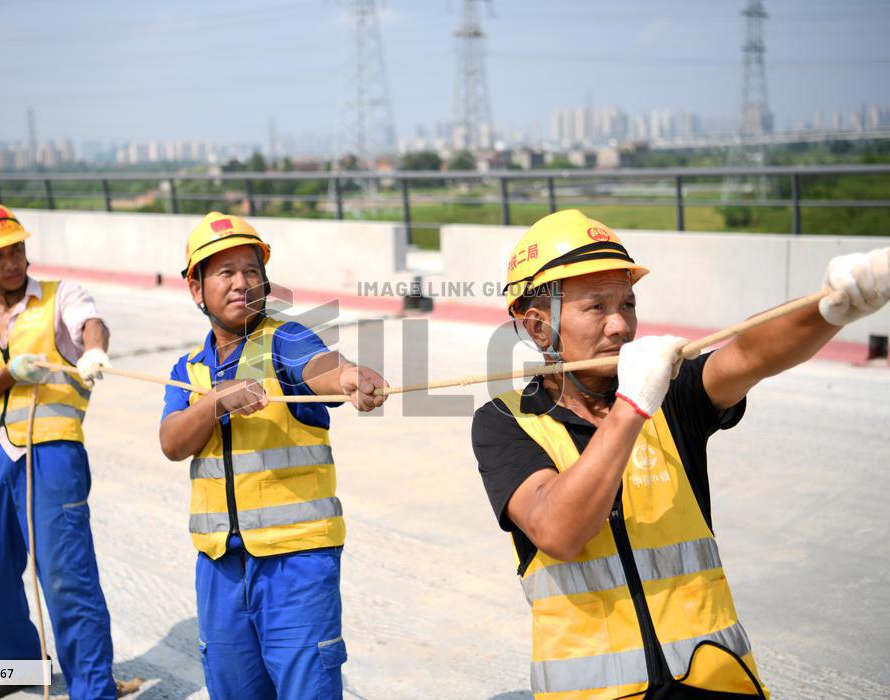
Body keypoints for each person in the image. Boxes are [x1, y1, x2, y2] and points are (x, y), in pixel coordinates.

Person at [471, 209, 889, 699]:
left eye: (627, 303)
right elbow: (558, 530)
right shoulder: (505, 422)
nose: (619, 326)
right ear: (539, 328)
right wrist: (632, 406)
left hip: (714, 682)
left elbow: (749, 352)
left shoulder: (673, 392)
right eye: (596, 307)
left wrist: (830, 308)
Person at [159, 212, 389, 699]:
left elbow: (321, 368)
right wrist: (215, 401)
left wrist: (349, 378)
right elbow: (172, 443)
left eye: (251, 271)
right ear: (196, 289)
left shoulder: (285, 340)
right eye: (225, 272)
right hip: (220, 566)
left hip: (297, 564)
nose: (242, 283)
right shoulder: (189, 370)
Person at [0, 201, 119, 699]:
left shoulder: (60, 295)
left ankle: (93, 690)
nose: (12, 262)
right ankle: (21, 668)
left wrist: (92, 350)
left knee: (67, 577)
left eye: (17, 249)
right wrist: (8, 374)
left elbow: (91, 322)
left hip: (53, 454)